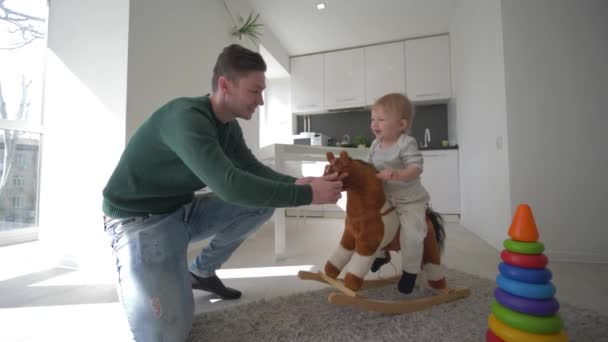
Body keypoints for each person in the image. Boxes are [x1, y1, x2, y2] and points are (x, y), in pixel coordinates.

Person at [102, 44, 345, 341]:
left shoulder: (227, 127)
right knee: (167, 334)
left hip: (181, 211)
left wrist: (296, 184)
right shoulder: (186, 118)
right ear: (225, 85)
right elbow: (230, 184)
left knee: (258, 204)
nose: (262, 101)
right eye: (255, 91)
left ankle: (200, 273)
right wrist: (309, 197)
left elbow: (251, 169)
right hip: (138, 222)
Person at [366, 93, 430, 294]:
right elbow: (368, 167)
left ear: (401, 125)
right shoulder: (375, 144)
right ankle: (380, 254)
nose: (375, 124)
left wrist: (398, 174)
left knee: (412, 233)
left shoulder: (406, 143)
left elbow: (416, 168)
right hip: (385, 198)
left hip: (409, 200)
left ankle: (410, 271)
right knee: (371, 224)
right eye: (373, 119)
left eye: (381, 120)